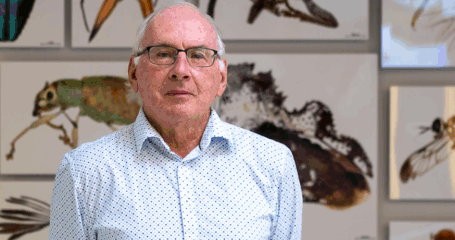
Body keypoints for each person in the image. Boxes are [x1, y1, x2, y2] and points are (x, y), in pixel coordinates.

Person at [50, 1, 302, 239]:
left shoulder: (274, 165)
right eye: (163, 54)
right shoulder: (83, 172)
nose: (180, 70)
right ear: (134, 74)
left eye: (198, 55)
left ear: (222, 78)